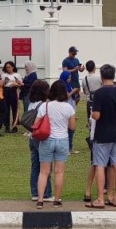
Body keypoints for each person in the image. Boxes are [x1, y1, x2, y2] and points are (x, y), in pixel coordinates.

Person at [86, 64, 116, 209]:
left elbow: (96, 115)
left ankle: (100, 198)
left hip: (103, 133)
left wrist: (92, 113)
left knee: (100, 165)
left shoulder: (99, 93)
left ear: (101, 76)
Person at [35, 80, 76, 209]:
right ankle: (57, 200)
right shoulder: (69, 107)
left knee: (43, 172)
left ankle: (40, 200)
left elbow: (36, 123)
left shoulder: (45, 106)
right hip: (62, 140)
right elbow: (72, 127)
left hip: (47, 139)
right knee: (59, 172)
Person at [27, 80, 52, 202]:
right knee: (45, 168)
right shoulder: (43, 105)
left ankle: (34, 192)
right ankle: (46, 193)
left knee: (35, 166)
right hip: (41, 137)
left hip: (32, 137)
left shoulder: (31, 103)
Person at [1, 61, 23, 133]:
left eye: (9, 67)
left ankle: (14, 126)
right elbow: (1, 84)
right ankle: (6, 126)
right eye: (6, 67)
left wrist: (15, 84)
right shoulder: (3, 75)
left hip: (14, 91)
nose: (8, 69)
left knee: (14, 109)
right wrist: (4, 82)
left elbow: (21, 84)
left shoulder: (17, 75)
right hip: (6, 91)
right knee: (6, 109)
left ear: (13, 67)